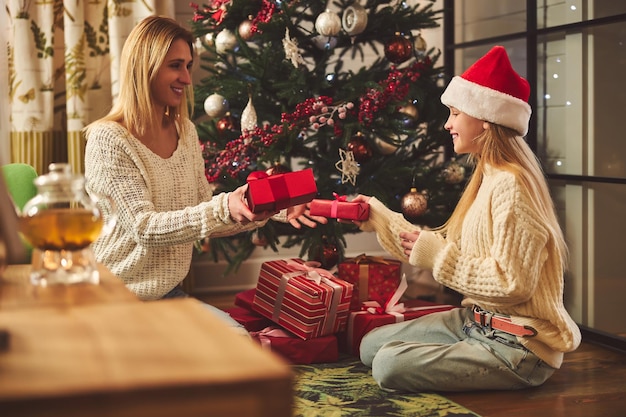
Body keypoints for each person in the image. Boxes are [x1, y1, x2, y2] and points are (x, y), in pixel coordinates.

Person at [349, 46, 581, 392]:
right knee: (370, 346)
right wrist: (378, 216)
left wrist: (438, 256)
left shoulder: (512, 187)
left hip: (517, 345)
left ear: (485, 120)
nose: (448, 124)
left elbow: (511, 283)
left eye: (455, 113)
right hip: (474, 322)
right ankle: (459, 350)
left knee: (387, 363)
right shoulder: (485, 177)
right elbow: (438, 247)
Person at [83, 16, 325, 329]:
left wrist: (267, 208)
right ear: (145, 67)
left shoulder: (185, 132)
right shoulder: (109, 139)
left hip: (166, 297)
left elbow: (203, 215)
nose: (186, 78)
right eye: (175, 65)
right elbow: (146, 229)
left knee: (240, 347)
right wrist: (224, 207)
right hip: (111, 300)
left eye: (188, 65)